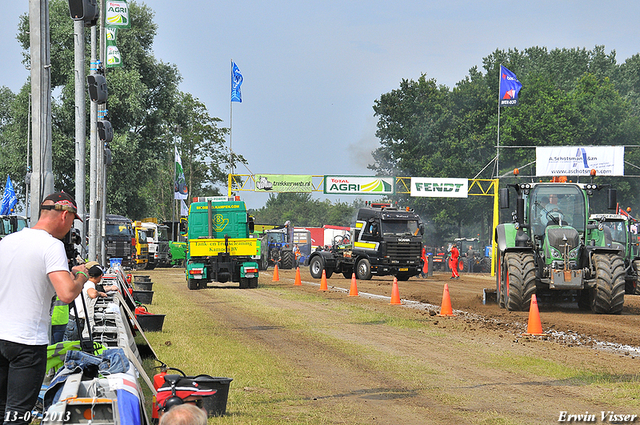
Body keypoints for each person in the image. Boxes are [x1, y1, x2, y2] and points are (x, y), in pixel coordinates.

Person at [0, 192, 88, 425]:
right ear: (65, 216)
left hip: (1, 335)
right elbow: (67, 293)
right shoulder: (51, 246)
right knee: (17, 414)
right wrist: (81, 276)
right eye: (72, 221)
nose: (70, 228)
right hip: (27, 342)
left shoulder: (7, 241)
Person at [65, 262, 117, 341]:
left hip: (74, 320)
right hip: (76, 322)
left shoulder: (85, 282)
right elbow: (92, 294)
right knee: (71, 348)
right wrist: (99, 293)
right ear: (100, 276)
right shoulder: (90, 284)